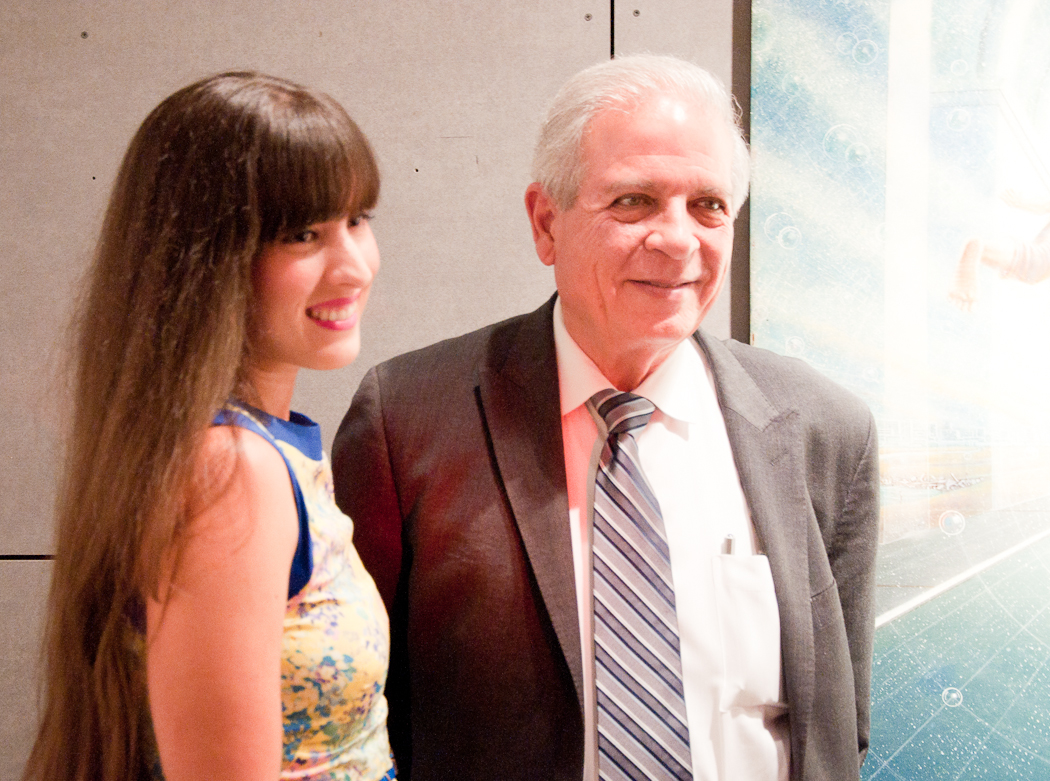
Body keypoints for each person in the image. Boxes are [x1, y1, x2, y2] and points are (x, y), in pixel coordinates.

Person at [333, 55, 878, 781]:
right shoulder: (410, 421)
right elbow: (350, 713)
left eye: (709, 206)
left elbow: (839, 727)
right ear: (545, 223)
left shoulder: (824, 431)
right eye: (634, 201)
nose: (678, 239)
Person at [24, 73, 396, 781]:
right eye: (302, 234)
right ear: (208, 260)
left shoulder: (247, 448)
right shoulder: (232, 467)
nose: (354, 266)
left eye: (358, 219)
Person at [949, 188, 1050, 311]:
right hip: (1036, 258)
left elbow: (1041, 206)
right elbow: (1042, 206)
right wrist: (1020, 202)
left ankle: (975, 252)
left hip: (1032, 266)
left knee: (1028, 264)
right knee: (1030, 260)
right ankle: (971, 258)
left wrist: (1020, 202)